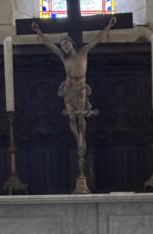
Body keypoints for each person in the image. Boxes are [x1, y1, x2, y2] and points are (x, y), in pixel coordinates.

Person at [31, 17, 116, 160]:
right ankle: (78, 140)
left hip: (81, 88)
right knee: (71, 117)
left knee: (81, 116)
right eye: (62, 45)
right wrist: (38, 31)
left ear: (72, 44)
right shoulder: (63, 58)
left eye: (66, 43)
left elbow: (97, 39)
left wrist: (109, 26)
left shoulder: (83, 52)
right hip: (68, 89)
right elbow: (50, 45)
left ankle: (82, 137)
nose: (64, 46)